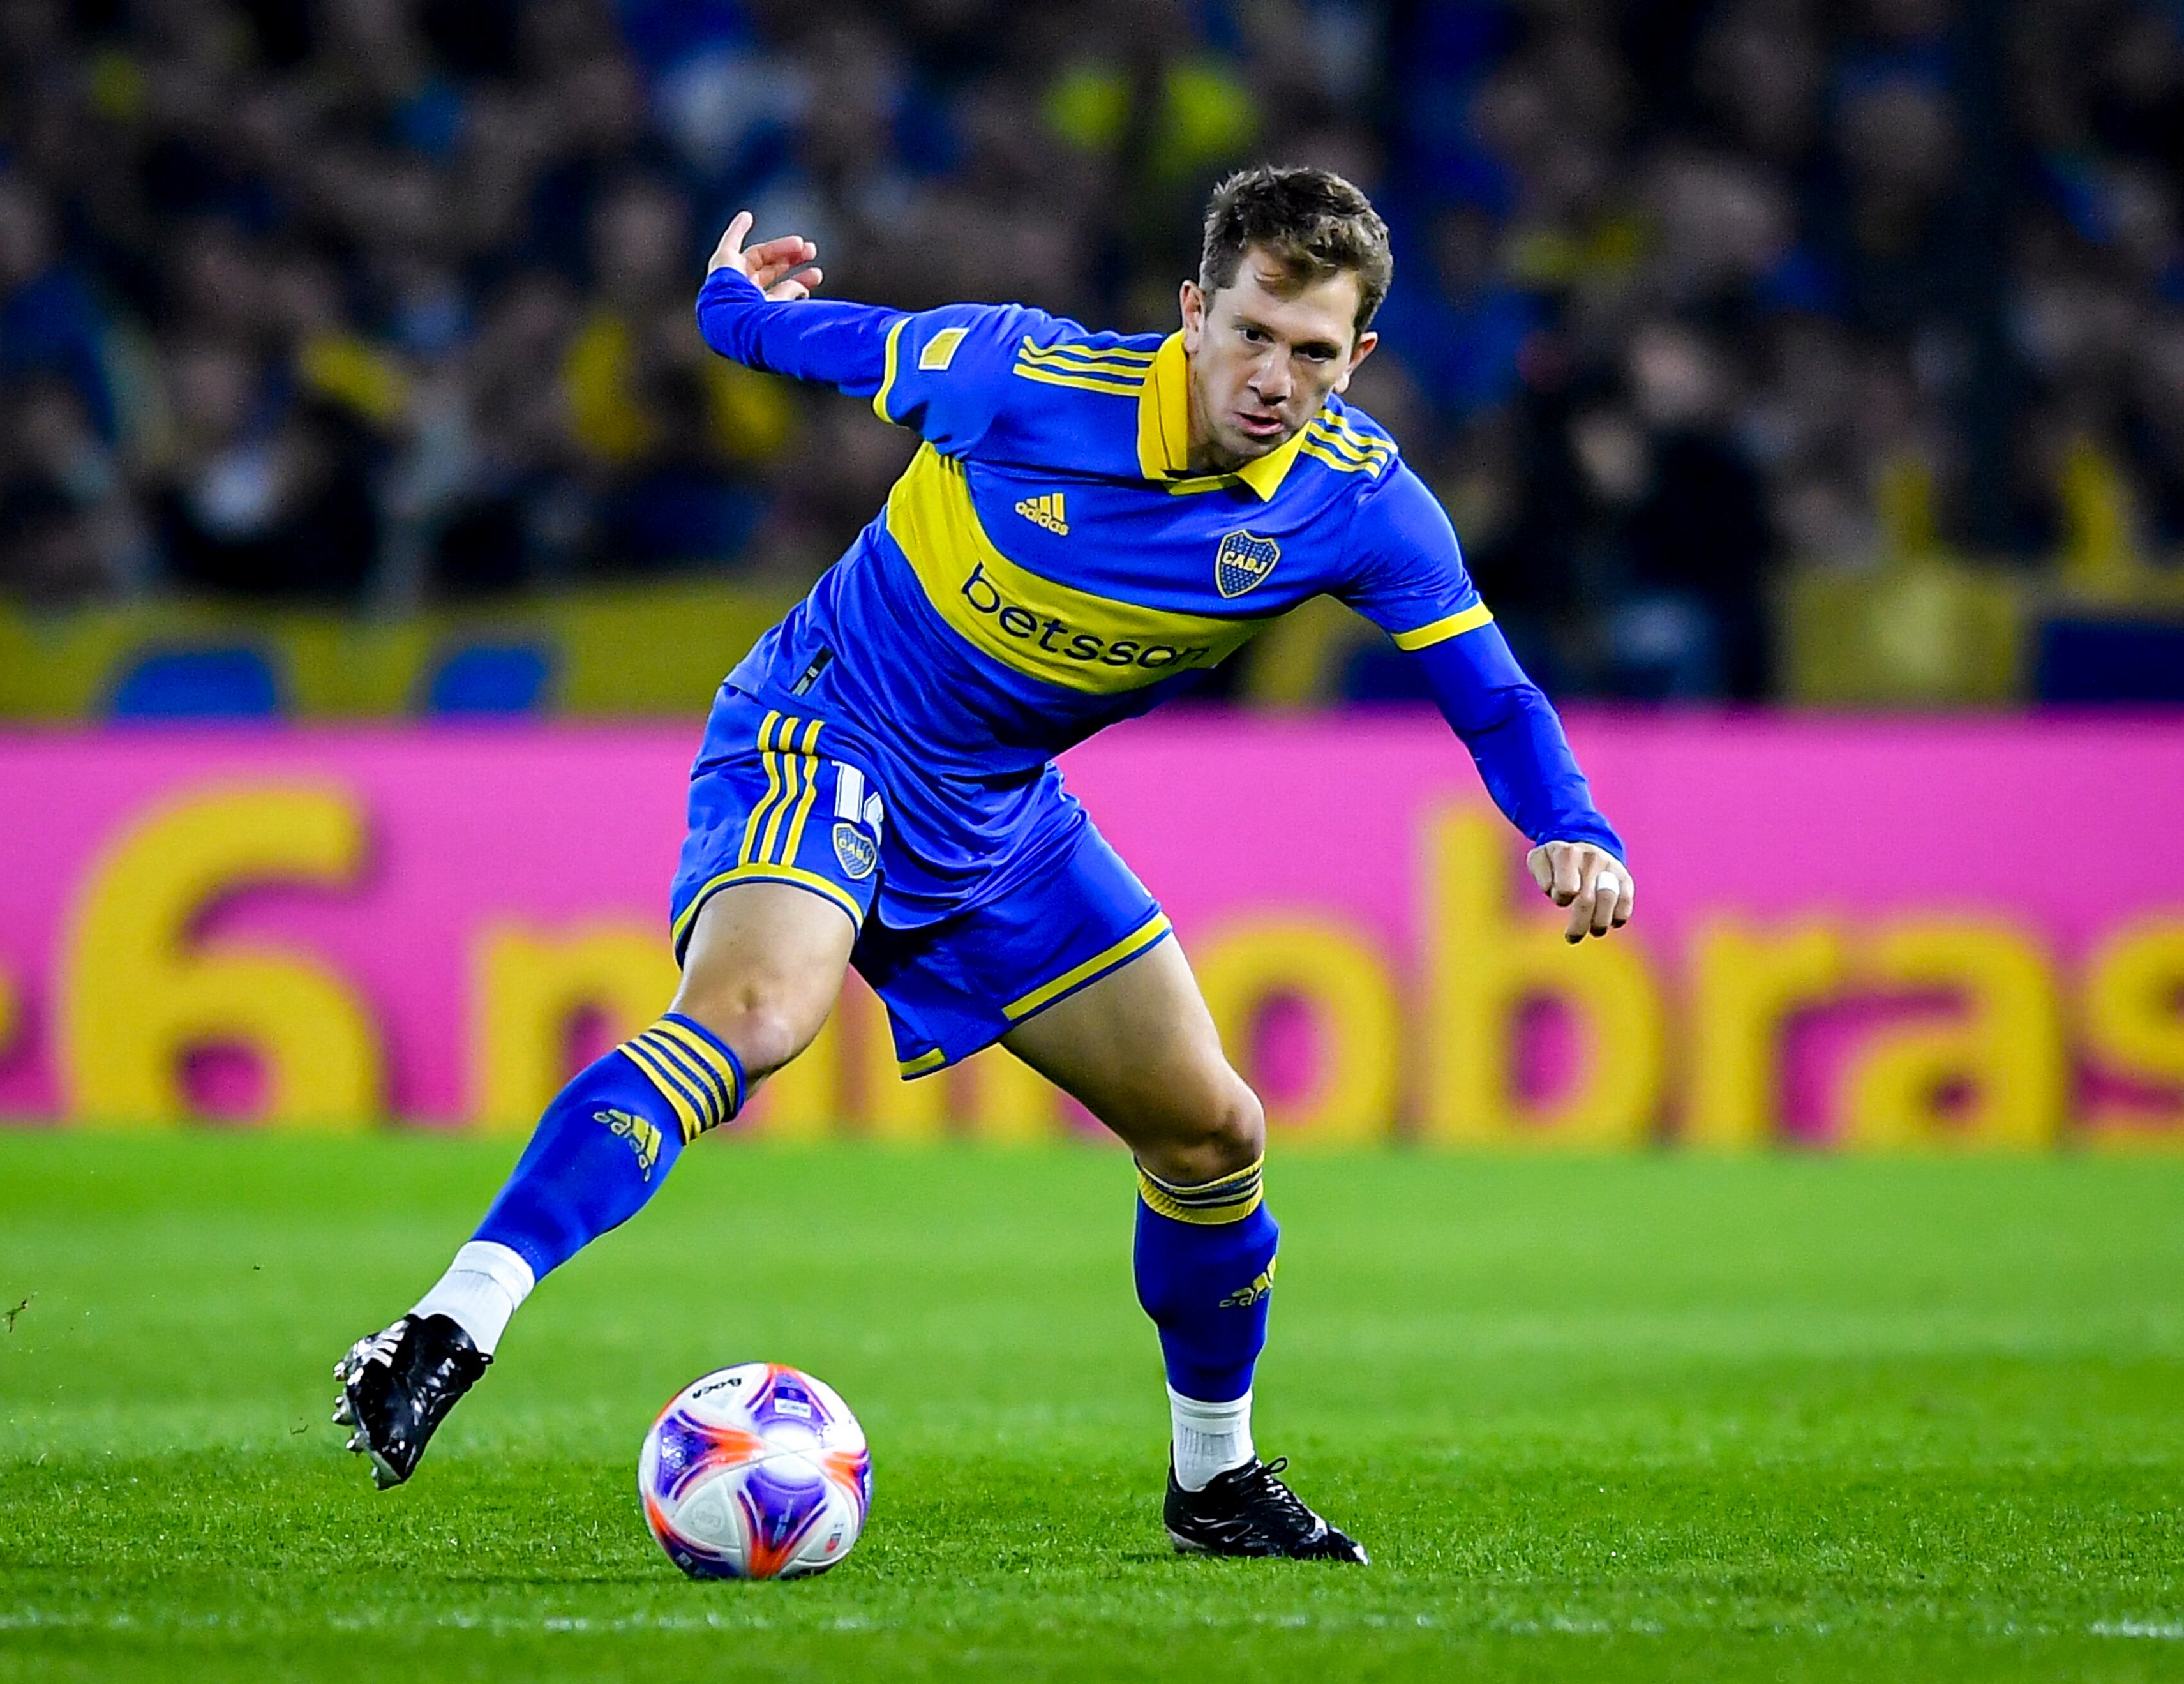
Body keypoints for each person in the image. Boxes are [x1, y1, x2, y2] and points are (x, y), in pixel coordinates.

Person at [333, 166, 1634, 1564]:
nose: (1273, 375)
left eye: (1313, 351)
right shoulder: (1014, 372)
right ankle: (454, 1318)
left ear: (1358, 356)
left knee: (1213, 1137)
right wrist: (736, 298)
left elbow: (1491, 695)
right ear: (1193, 310)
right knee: (760, 1019)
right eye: (1251, 330)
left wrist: (1570, 822)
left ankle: (1214, 1481)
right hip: (823, 727)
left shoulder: (1359, 504)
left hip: (1000, 815)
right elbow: (780, 338)